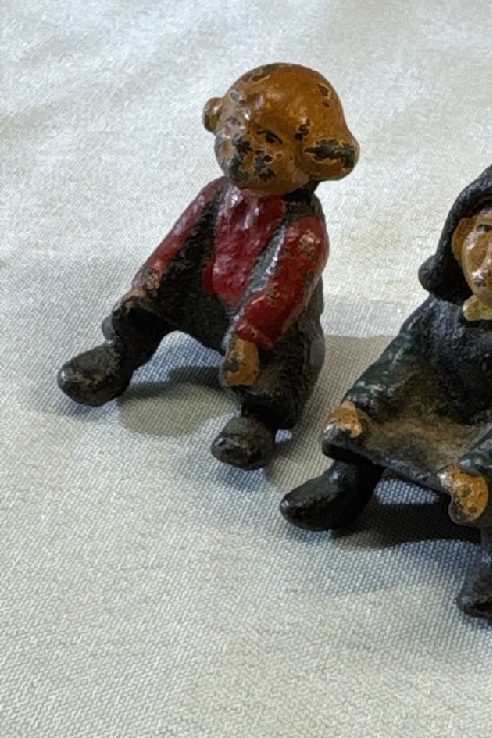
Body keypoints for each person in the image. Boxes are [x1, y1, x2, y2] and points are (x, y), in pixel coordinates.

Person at [281, 150, 492, 623]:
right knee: (362, 432)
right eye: (485, 229)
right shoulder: (440, 311)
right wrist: (363, 405)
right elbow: (403, 359)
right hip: (429, 412)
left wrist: (483, 466)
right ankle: (347, 484)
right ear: (458, 235)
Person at [58, 63, 359, 469]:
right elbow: (175, 246)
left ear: (313, 160)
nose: (243, 143)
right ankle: (120, 354)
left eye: (269, 138)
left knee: (285, 371)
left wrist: (249, 336)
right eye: (235, 124)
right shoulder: (216, 194)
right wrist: (148, 284)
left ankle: (257, 421)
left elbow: (280, 291)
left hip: (269, 328)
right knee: (142, 307)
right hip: (203, 299)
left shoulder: (303, 229)